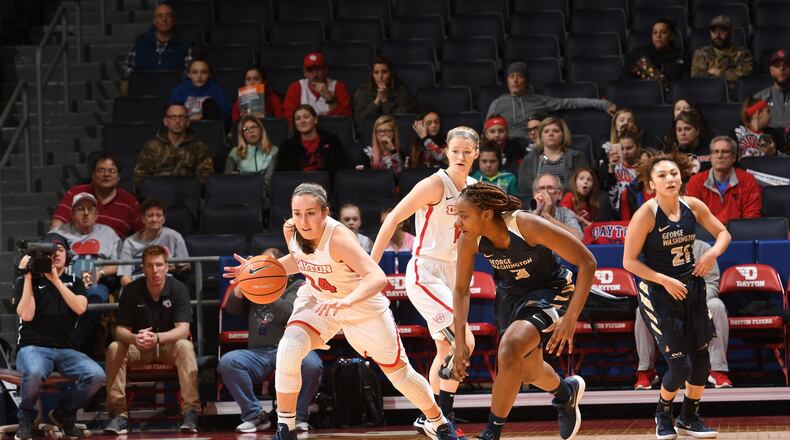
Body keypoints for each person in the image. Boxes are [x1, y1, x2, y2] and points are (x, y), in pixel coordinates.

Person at [223, 183, 460, 440]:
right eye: (297, 212)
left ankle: (438, 421)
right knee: (289, 349)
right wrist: (260, 271)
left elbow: (377, 278)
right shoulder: (291, 229)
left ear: (325, 212)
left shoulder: (339, 238)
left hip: (361, 305)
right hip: (318, 299)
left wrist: (346, 302)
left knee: (400, 374)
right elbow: (301, 259)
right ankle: (285, 429)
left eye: (310, 213)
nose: (302, 220)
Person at [451, 182, 595, 440]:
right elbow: (462, 290)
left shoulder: (525, 225)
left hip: (550, 289)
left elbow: (587, 262)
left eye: (463, 216)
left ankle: (490, 433)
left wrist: (571, 316)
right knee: (527, 370)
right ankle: (565, 393)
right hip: (510, 296)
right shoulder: (469, 240)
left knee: (509, 348)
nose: (458, 223)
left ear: (486, 215)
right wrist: (459, 341)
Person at [371, 127, 481, 439]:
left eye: (467, 151)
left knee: (445, 347)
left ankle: (428, 416)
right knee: (465, 342)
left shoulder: (474, 189)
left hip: (453, 275)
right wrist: (369, 264)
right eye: (455, 150)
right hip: (426, 273)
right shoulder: (435, 184)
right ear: (447, 151)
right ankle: (443, 419)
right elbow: (393, 219)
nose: (460, 156)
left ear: (476, 153)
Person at [622, 151, 731, 439]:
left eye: (673, 173)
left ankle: (690, 417)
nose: (669, 178)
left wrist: (711, 255)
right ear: (651, 184)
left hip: (691, 289)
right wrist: (664, 280)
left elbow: (724, 234)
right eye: (662, 175)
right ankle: (663, 413)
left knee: (702, 362)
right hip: (658, 292)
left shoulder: (692, 205)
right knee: (679, 365)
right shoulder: (645, 214)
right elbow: (629, 262)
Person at [13, 233, 106, 440]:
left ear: (67, 255)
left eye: (60, 250)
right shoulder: (27, 281)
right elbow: (26, 314)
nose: (55, 254)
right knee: (35, 372)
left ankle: (64, 413)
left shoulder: (75, 281)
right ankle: (26, 417)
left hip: (66, 349)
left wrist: (55, 280)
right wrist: (28, 277)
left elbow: (80, 308)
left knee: (97, 375)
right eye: (49, 250)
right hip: (32, 347)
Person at [104, 245, 200, 435]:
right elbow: (120, 330)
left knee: (185, 345)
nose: (155, 270)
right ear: (143, 268)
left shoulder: (178, 289)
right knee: (115, 347)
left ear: (166, 267)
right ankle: (118, 413)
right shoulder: (131, 290)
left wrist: (157, 338)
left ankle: (191, 412)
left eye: (158, 265)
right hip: (139, 347)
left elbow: (183, 329)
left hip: (167, 347)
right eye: (149, 266)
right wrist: (134, 338)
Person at [218, 277, 323, 433]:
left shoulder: (297, 286)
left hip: (291, 349)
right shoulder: (253, 288)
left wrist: (268, 289)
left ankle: (298, 417)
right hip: (258, 353)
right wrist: (243, 282)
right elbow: (232, 308)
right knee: (229, 362)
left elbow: (287, 313)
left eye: (266, 268)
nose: (261, 272)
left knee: (312, 364)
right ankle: (255, 415)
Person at [634, 239, 732, 391]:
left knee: (717, 306)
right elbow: (650, 284)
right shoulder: (656, 248)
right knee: (641, 311)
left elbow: (712, 284)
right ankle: (646, 371)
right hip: (666, 303)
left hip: (698, 301)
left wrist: (694, 300)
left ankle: (718, 370)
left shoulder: (703, 248)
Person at [487, 61, 616, 141]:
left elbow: (571, 102)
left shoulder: (539, 100)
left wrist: (604, 104)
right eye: (511, 77)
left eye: (519, 77)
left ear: (526, 80)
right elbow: (487, 131)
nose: (515, 80)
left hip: (533, 145)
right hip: (508, 148)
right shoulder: (497, 103)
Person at [51, 153, 142, 238]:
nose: (106, 174)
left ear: (118, 177)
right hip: (76, 248)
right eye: (101, 170)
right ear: (93, 175)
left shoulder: (130, 201)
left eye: (112, 171)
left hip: (115, 252)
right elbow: (58, 224)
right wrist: (57, 243)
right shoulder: (76, 192)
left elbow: (141, 235)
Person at [118, 3, 193, 95]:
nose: (164, 20)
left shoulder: (184, 44)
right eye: (160, 16)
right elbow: (126, 69)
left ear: (173, 20)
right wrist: (144, 78)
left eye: (168, 16)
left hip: (172, 93)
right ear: (154, 21)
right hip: (144, 91)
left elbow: (189, 74)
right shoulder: (140, 42)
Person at [686, 136, 762, 224]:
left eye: (725, 152)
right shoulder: (696, 181)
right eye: (715, 152)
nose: (720, 156)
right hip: (706, 235)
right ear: (710, 157)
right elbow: (692, 217)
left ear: (733, 157)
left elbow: (752, 217)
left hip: (738, 234)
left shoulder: (747, 180)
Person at [134, 104, 214, 185]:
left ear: (188, 122)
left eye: (181, 117)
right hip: (158, 193)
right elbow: (140, 178)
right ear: (165, 121)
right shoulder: (151, 147)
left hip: (189, 194)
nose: (177, 121)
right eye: (173, 117)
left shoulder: (200, 148)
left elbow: (206, 178)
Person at [118, 198, 190, 287]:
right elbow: (125, 277)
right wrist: (135, 291)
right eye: (150, 215)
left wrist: (170, 269)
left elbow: (186, 266)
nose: (154, 219)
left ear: (164, 219)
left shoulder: (174, 237)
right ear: (142, 218)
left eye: (158, 215)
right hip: (138, 282)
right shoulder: (130, 242)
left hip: (166, 282)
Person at [517, 116, 590, 196]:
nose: (550, 134)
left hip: (568, 201)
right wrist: (545, 193)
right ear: (540, 136)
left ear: (563, 135)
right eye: (546, 131)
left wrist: (554, 192)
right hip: (539, 201)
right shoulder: (529, 159)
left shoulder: (576, 157)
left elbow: (581, 183)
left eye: (555, 131)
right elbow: (524, 186)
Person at [276, 104, 346, 177]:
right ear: (295, 124)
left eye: (306, 117)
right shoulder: (287, 147)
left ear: (315, 119)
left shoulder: (332, 141)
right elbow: (282, 176)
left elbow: (339, 171)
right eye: (298, 118)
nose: (302, 121)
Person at [283, 52, 352, 123]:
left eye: (319, 69)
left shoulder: (339, 87)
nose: (315, 74)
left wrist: (331, 100)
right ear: (305, 73)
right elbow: (290, 120)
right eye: (310, 70)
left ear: (326, 70)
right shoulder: (296, 88)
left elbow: (346, 120)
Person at [691, 15, 753, 89]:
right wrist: (730, 76)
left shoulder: (743, 53)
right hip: (707, 92)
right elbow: (697, 76)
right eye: (714, 31)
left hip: (734, 95)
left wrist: (720, 72)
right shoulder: (701, 53)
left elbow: (745, 75)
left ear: (732, 32)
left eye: (722, 30)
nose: (717, 35)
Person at [626, 18, 686, 93]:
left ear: (671, 36)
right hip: (645, 94)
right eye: (654, 33)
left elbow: (686, 83)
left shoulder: (682, 55)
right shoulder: (639, 53)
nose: (658, 36)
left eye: (663, 32)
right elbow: (626, 79)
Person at [353, 56, 416, 126]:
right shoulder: (364, 91)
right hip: (370, 131)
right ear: (372, 75)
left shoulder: (402, 91)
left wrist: (385, 100)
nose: (380, 76)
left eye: (384, 72)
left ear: (391, 74)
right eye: (376, 72)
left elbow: (402, 120)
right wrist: (376, 101)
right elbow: (359, 121)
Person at [225, 115, 279, 194]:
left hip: (265, 196)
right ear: (242, 134)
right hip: (240, 195)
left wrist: (241, 177)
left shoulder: (273, 151)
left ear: (261, 129)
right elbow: (226, 180)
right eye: (245, 129)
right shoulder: (235, 152)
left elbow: (268, 182)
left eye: (254, 127)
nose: (251, 131)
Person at [170, 58, 232, 124]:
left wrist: (205, 116)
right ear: (189, 74)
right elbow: (172, 115)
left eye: (204, 72)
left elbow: (227, 114)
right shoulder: (180, 90)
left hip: (209, 128)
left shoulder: (216, 90)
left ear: (209, 74)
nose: (199, 76)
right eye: (195, 72)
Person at [604, 125, 643, 217]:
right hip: (616, 212)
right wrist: (611, 169)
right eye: (622, 148)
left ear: (638, 147)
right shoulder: (614, 166)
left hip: (637, 211)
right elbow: (606, 191)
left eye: (629, 148)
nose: (625, 152)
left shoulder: (643, 168)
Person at [531, 174, 584, 240]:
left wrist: (548, 217)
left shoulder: (567, 214)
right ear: (534, 194)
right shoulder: (525, 214)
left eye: (550, 188)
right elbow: (520, 240)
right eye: (541, 188)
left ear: (559, 194)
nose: (545, 192)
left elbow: (579, 237)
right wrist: (536, 215)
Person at [754, 49, 790, 130]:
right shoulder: (759, 98)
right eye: (777, 65)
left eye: (786, 64)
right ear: (771, 70)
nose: (781, 68)